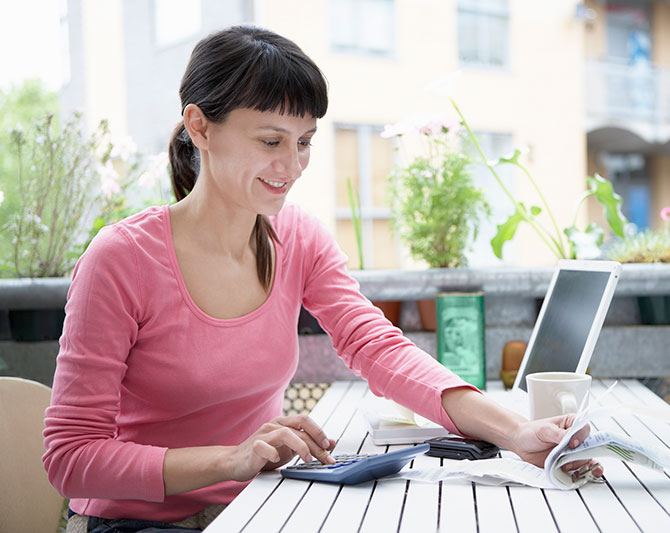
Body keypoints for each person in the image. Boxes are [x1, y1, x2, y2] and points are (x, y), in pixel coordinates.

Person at [43, 25, 601, 532]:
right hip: (136, 525)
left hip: (257, 507)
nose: (292, 166)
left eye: (304, 141)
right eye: (270, 141)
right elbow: (71, 460)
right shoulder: (121, 259)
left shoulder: (297, 239)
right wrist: (232, 457)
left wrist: (514, 432)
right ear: (200, 126)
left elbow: (375, 346)